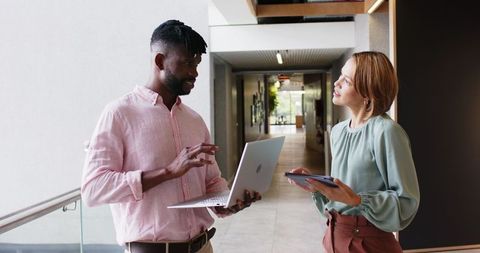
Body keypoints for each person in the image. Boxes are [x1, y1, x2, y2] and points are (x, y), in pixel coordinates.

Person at [81, 20, 260, 253]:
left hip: (203, 247)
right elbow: (94, 189)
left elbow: (211, 181)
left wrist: (225, 203)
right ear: (160, 61)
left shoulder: (194, 120)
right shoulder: (119, 114)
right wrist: (168, 172)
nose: (194, 72)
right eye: (187, 63)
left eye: (197, 64)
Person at [288, 51, 420, 253]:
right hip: (334, 235)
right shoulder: (339, 131)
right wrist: (318, 186)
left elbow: (406, 203)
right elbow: (343, 191)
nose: (336, 83)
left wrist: (359, 200)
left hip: (368, 243)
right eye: (340, 76)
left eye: (346, 81)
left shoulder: (386, 132)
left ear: (368, 93)